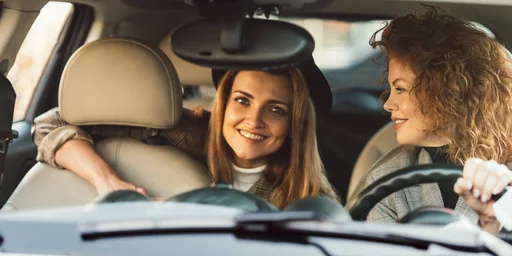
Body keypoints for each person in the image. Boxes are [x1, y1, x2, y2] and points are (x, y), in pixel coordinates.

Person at [33, 58, 338, 209]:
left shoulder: (310, 196)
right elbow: (52, 123)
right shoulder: (182, 132)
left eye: (276, 110)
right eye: (242, 101)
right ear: (224, 104)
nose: (254, 120)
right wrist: (108, 181)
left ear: (295, 123)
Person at [359, 6, 512, 232]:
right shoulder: (385, 179)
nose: (387, 104)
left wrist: (498, 222)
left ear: (447, 91)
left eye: (400, 89)